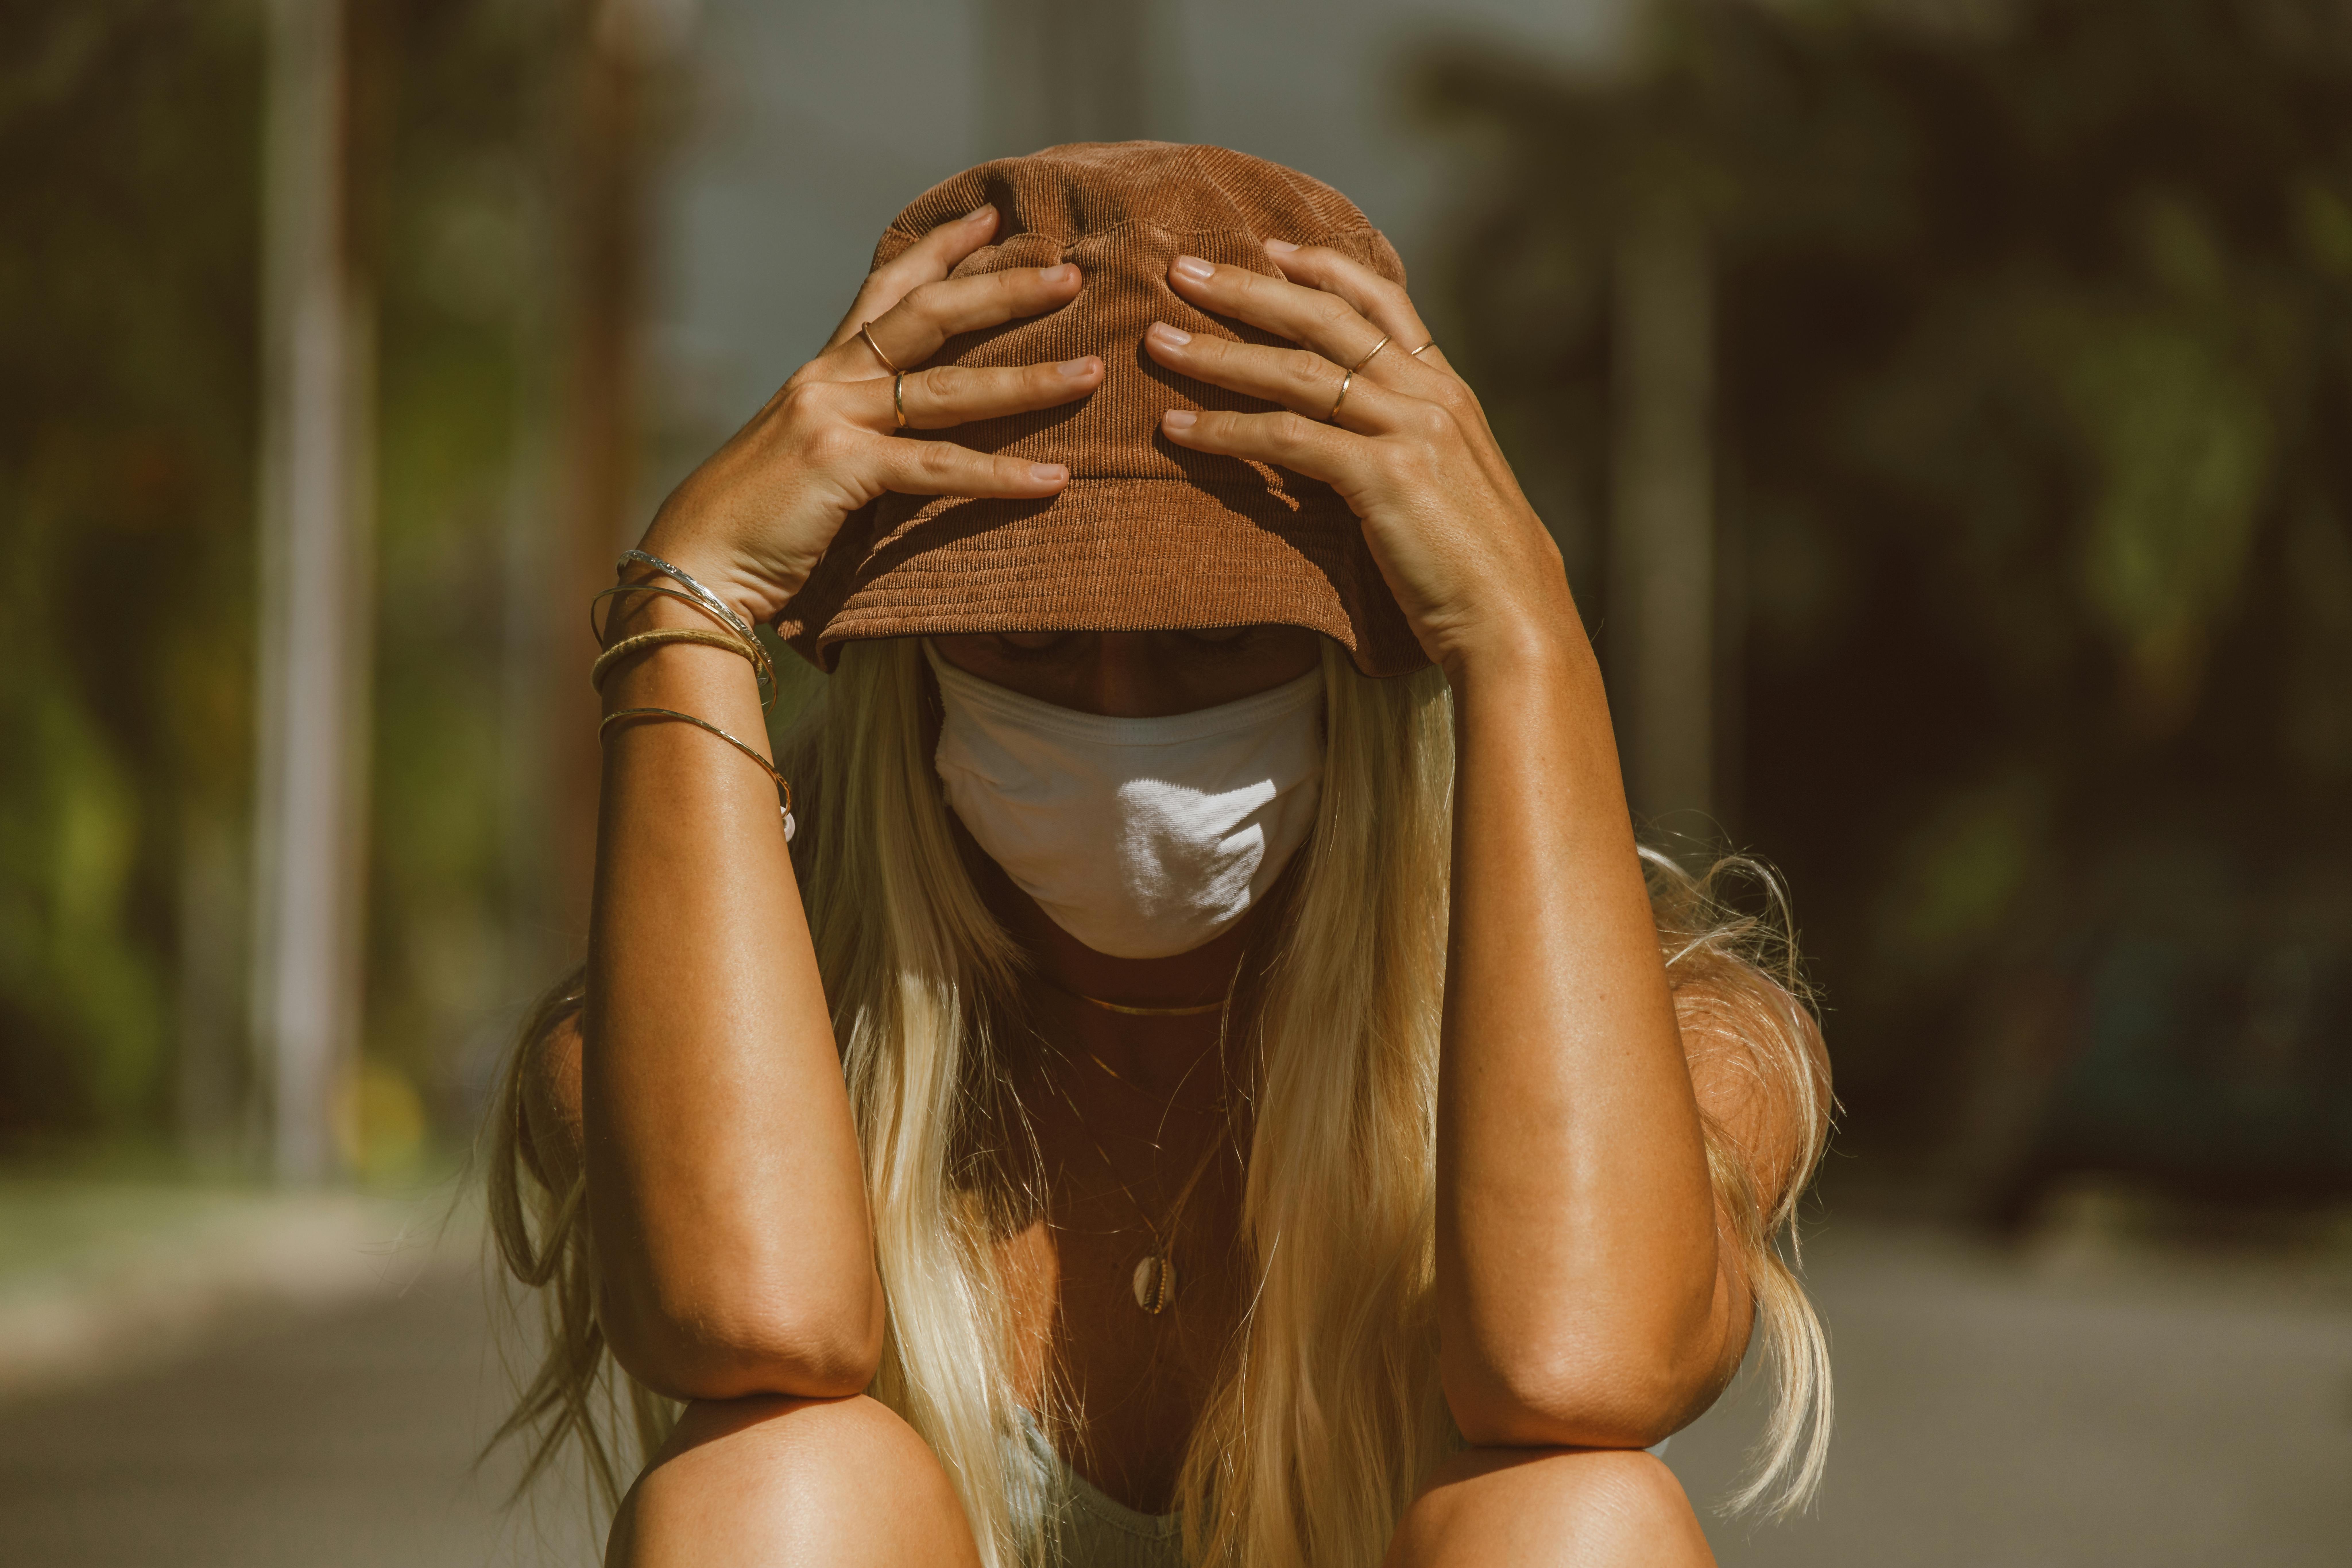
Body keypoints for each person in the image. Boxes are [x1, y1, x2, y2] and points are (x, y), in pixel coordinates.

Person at [487, 143, 1831, 1568]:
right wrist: (686, 598)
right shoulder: (705, 1043)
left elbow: (1582, 1363)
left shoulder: (1683, 1050)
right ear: (913, 665)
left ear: (1367, 668)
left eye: (1214, 638)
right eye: (1033, 637)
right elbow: (741, 1315)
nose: (1118, 716)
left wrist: (1522, 642)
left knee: (1578, 1514)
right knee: (757, 1493)